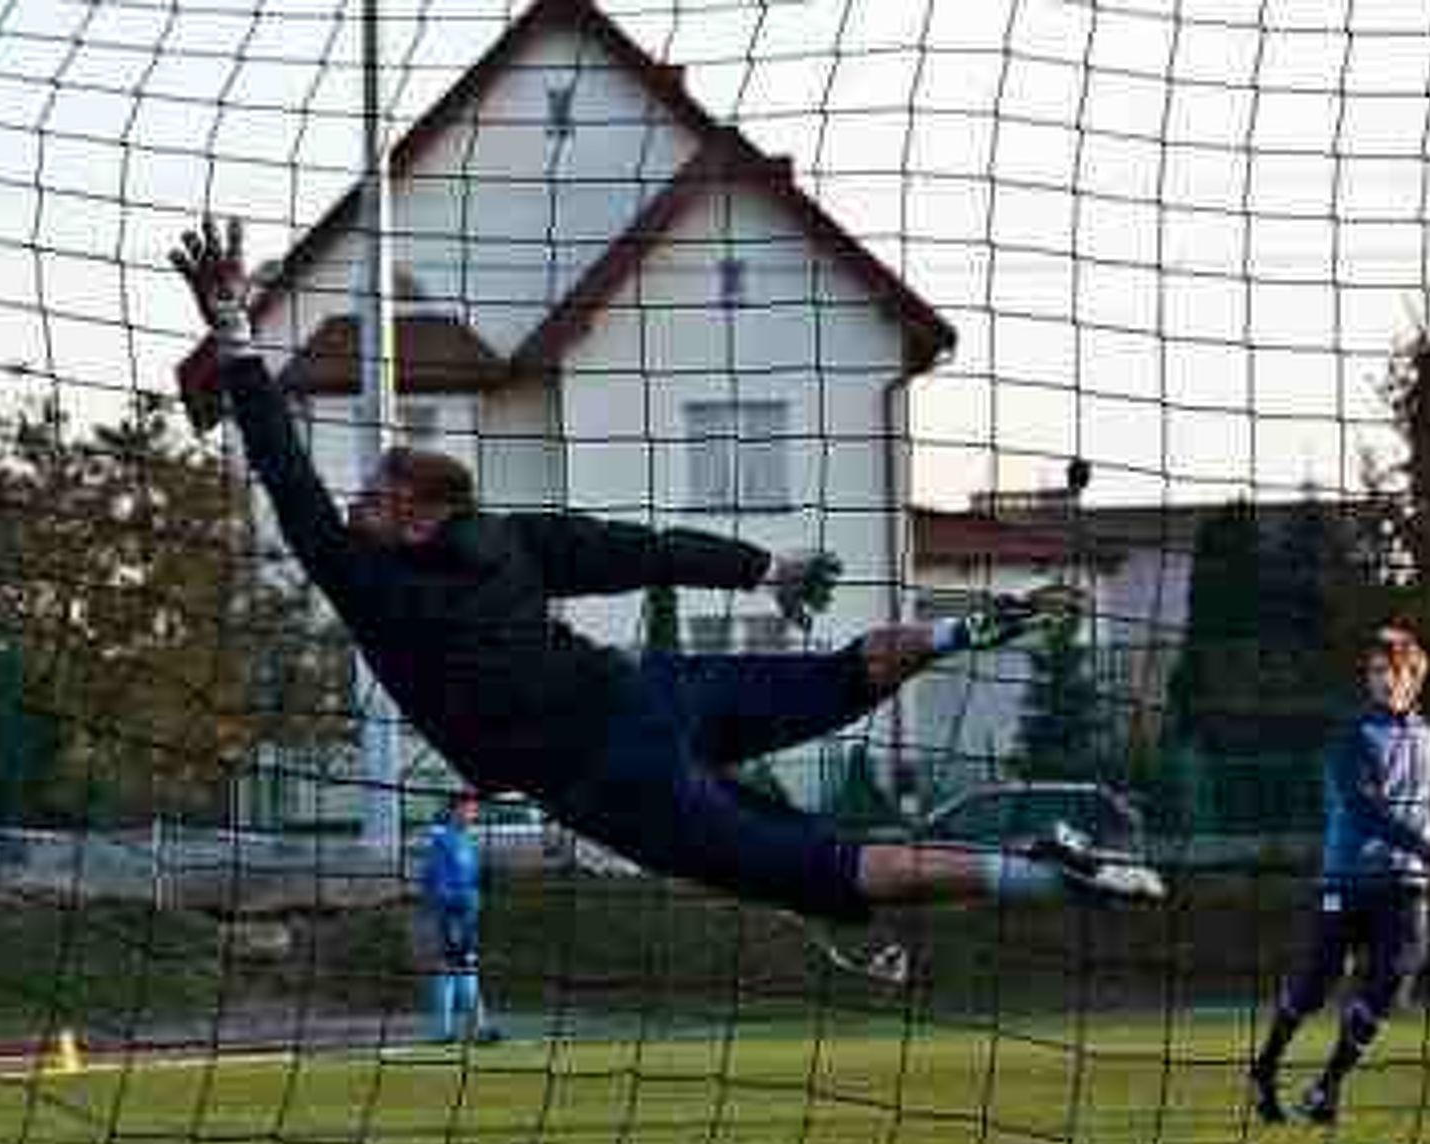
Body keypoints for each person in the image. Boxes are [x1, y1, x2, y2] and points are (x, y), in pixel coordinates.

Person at [171, 216, 1163, 933]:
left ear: (421, 513)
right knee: (835, 675)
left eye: (375, 498)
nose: (354, 505)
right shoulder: (510, 539)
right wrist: (762, 563)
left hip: (608, 774)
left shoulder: (367, 581)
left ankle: (1036, 874)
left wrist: (238, 335)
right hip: (652, 688)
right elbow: (639, 548)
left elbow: (284, 469)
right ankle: (955, 632)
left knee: (815, 865)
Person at [1248, 622, 1430, 1125]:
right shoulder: (1351, 734)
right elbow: (1362, 806)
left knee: (1394, 978)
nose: (1382, 680)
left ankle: (1326, 1087)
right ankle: (1265, 1068)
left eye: (1391, 671)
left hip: (1405, 883)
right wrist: (1423, 845)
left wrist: (1424, 850)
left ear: (1415, 676)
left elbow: (1416, 805)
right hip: (1347, 881)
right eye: (1375, 671)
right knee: (1318, 983)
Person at [423, 790, 501, 1043]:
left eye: (474, 808)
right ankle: (478, 1028)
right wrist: (453, 909)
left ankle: (444, 1032)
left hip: (467, 915)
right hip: (453, 916)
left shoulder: (466, 841)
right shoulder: (443, 841)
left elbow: (470, 879)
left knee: (450, 970)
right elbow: (435, 881)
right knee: (464, 968)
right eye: (468, 808)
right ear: (455, 810)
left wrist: (482, 882)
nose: (473, 812)